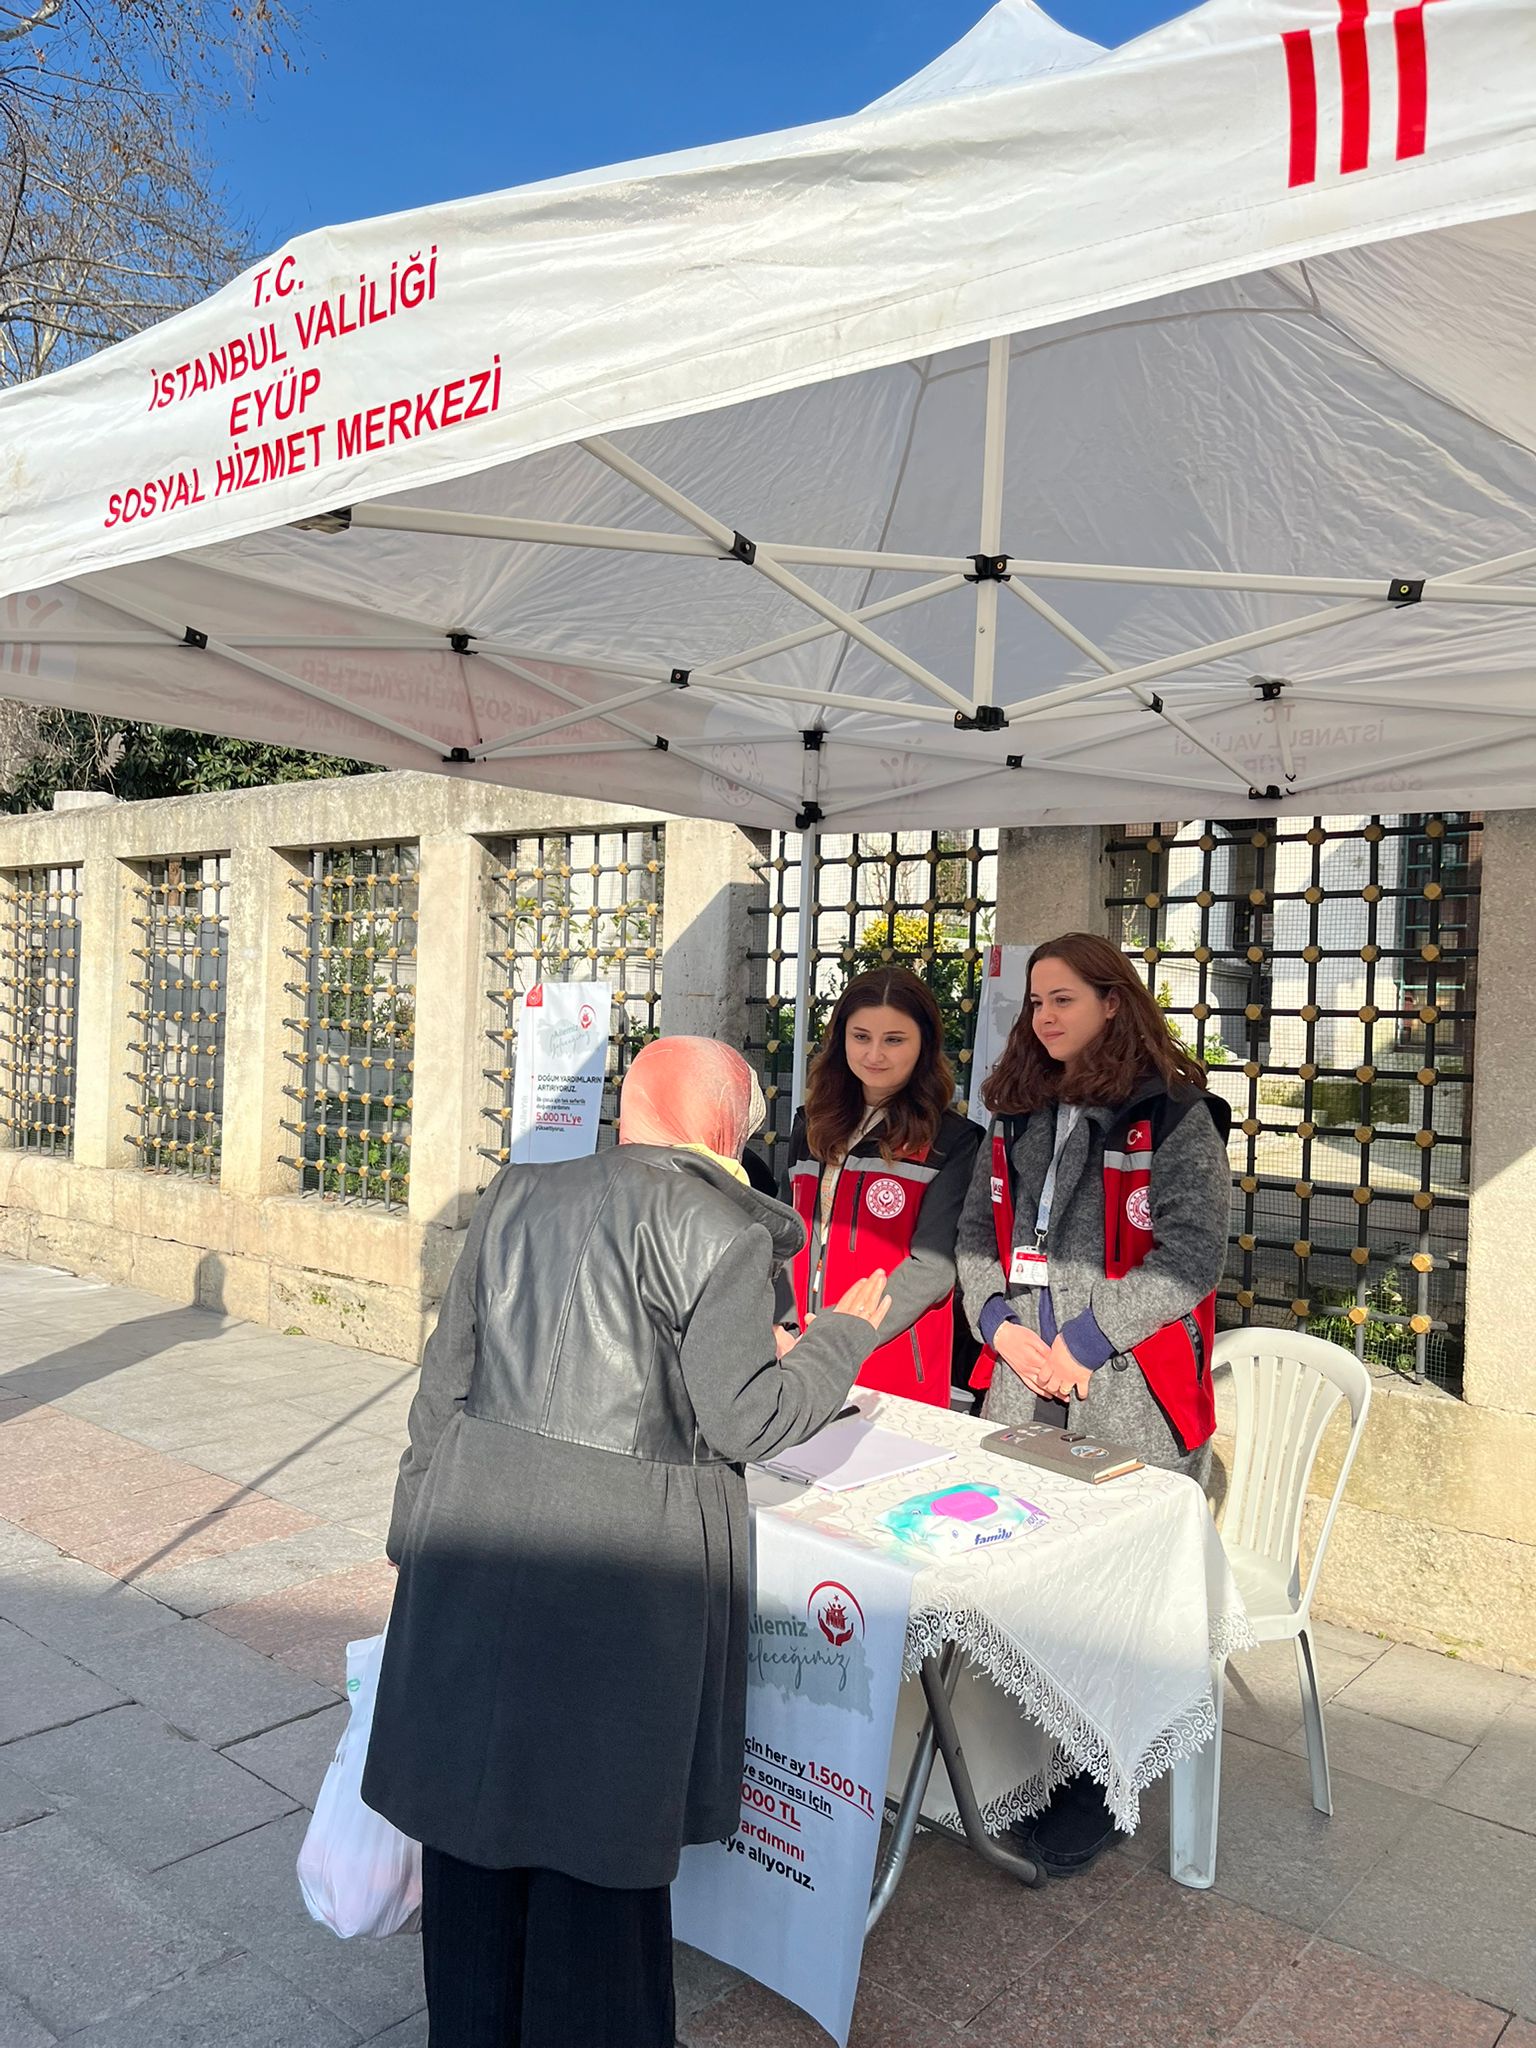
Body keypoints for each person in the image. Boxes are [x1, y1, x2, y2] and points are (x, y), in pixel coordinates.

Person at [363, 1037, 890, 2048]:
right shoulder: (722, 1231)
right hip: (623, 1556)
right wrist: (838, 1340)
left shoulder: (519, 1191)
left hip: (479, 1522)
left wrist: (414, 1530)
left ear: (630, 1108)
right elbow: (744, 1418)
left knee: (477, 1816)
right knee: (596, 1837)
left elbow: (446, 1377)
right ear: (728, 1128)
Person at [956, 932, 1232, 1875]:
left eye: (1064, 998)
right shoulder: (1018, 1112)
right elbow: (973, 1238)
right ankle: (1009, 1766)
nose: (1045, 1016)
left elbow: (1191, 1257)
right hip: (1019, 1382)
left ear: (1115, 1002)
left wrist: (1079, 1344)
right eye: (1036, 1001)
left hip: (1125, 1398)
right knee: (1015, 1574)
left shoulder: (1177, 1116)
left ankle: (1097, 1788)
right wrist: (999, 1325)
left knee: (1103, 1601)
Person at [777, 967, 981, 1406]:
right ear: (841, 1039)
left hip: (887, 1356)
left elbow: (934, 1268)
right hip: (793, 1351)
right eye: (861, 1036)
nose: (874, 1054)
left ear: (923, 1044)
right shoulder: (810, 1125)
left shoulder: (952, 1141)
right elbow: (783, 1234)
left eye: (894, 1039)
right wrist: (783, 1324)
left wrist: (837, 1333)